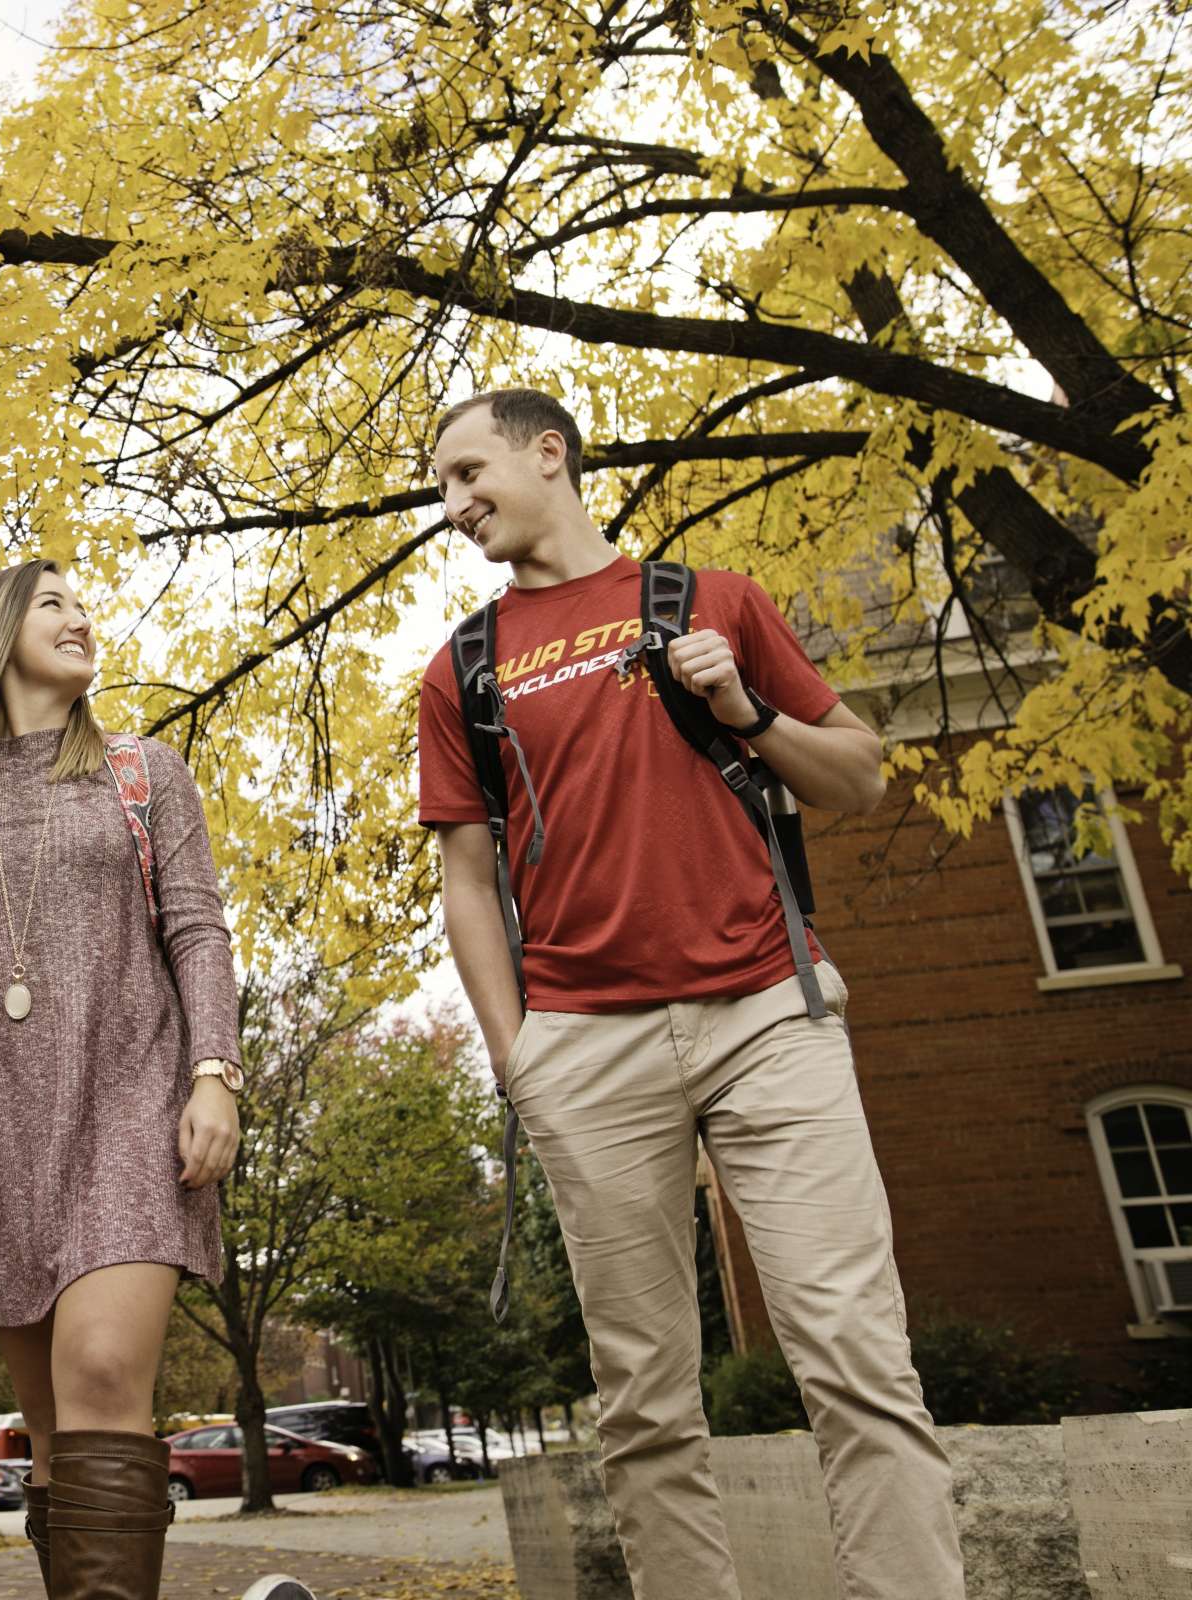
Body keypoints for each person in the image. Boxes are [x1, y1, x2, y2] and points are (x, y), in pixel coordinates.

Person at [417, 388, 966, 1600]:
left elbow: (860, 776)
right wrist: (523, 1061)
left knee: (857, 1360)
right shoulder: (462, 668)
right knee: (647, 1402)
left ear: (546, 453)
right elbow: (467, 878)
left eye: (468, 473)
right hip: (587, 1051)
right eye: (443, 486)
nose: (453, 505)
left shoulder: (712, 598)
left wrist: (744, 708)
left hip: (770, 1013)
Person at [0, 559, 310, 1600]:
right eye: (51, 602)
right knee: (57, 1443)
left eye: (83, 600)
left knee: (104, 1374)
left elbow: (199, 930)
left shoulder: (143, 772)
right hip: (1, 1134)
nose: (81, 615)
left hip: (131, 1101)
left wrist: (216, 1073)